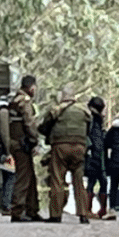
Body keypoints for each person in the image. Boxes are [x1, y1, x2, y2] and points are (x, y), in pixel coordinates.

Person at [38, 83, 92, 224]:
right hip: (79, 147)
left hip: (60, 147)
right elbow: (89, 128)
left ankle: (56, 214)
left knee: (57, 180)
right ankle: (83, 214)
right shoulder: (84, 111)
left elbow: (43, 127)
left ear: (62, 96)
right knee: (79, 181)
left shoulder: (56, 110)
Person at [8, 75, 43, 222]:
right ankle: (17, 211)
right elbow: (29, 124)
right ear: (31, 87)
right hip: (22, 144)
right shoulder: (24, 102)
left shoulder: (15, 99)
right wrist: (35, 140)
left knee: (30, 177)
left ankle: (32, 209)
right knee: (23, 177)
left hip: (18, 143)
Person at [84, 96, 107, 218]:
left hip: (95, 152)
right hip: (95, 152)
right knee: (98, 180)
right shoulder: (93, 119)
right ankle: (92, 209)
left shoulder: (93, 118)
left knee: (95, 180)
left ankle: (93, 209)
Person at [0, 92, 16, 215]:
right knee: (10, 177)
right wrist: (8, 153)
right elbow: (5, 133)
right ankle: (7, 205)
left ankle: (6, 204)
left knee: (7, 177)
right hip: (4, 150)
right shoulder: (3, 113)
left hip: (0, 150)